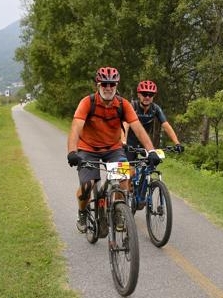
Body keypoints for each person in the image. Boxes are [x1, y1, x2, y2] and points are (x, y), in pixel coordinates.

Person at [67, 67, 161, 233]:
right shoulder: (88, 102)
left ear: (116, 85)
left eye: (112, 84)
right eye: (104, 83)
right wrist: (72, 152)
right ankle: (82, 212)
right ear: (98, 85)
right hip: (88, 149)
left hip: (113, 149)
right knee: (88, 185)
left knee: (123, 180)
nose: (108, 87)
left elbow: (138, 128)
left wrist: (151, 151)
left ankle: (118, 212)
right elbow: (76, 128)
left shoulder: (123, 104)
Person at [123, 80, 184, 161]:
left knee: (154, 161)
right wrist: (123, 142)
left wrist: (177, 143)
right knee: (130, 168)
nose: (147, 97)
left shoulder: (155, 109)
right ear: (138, 95)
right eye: (144, 94)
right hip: (129, 141)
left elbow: (166, 126)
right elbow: (126, 125)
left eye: (150, 95)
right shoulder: (133, 106)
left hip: (144, 142)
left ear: (153, 96)